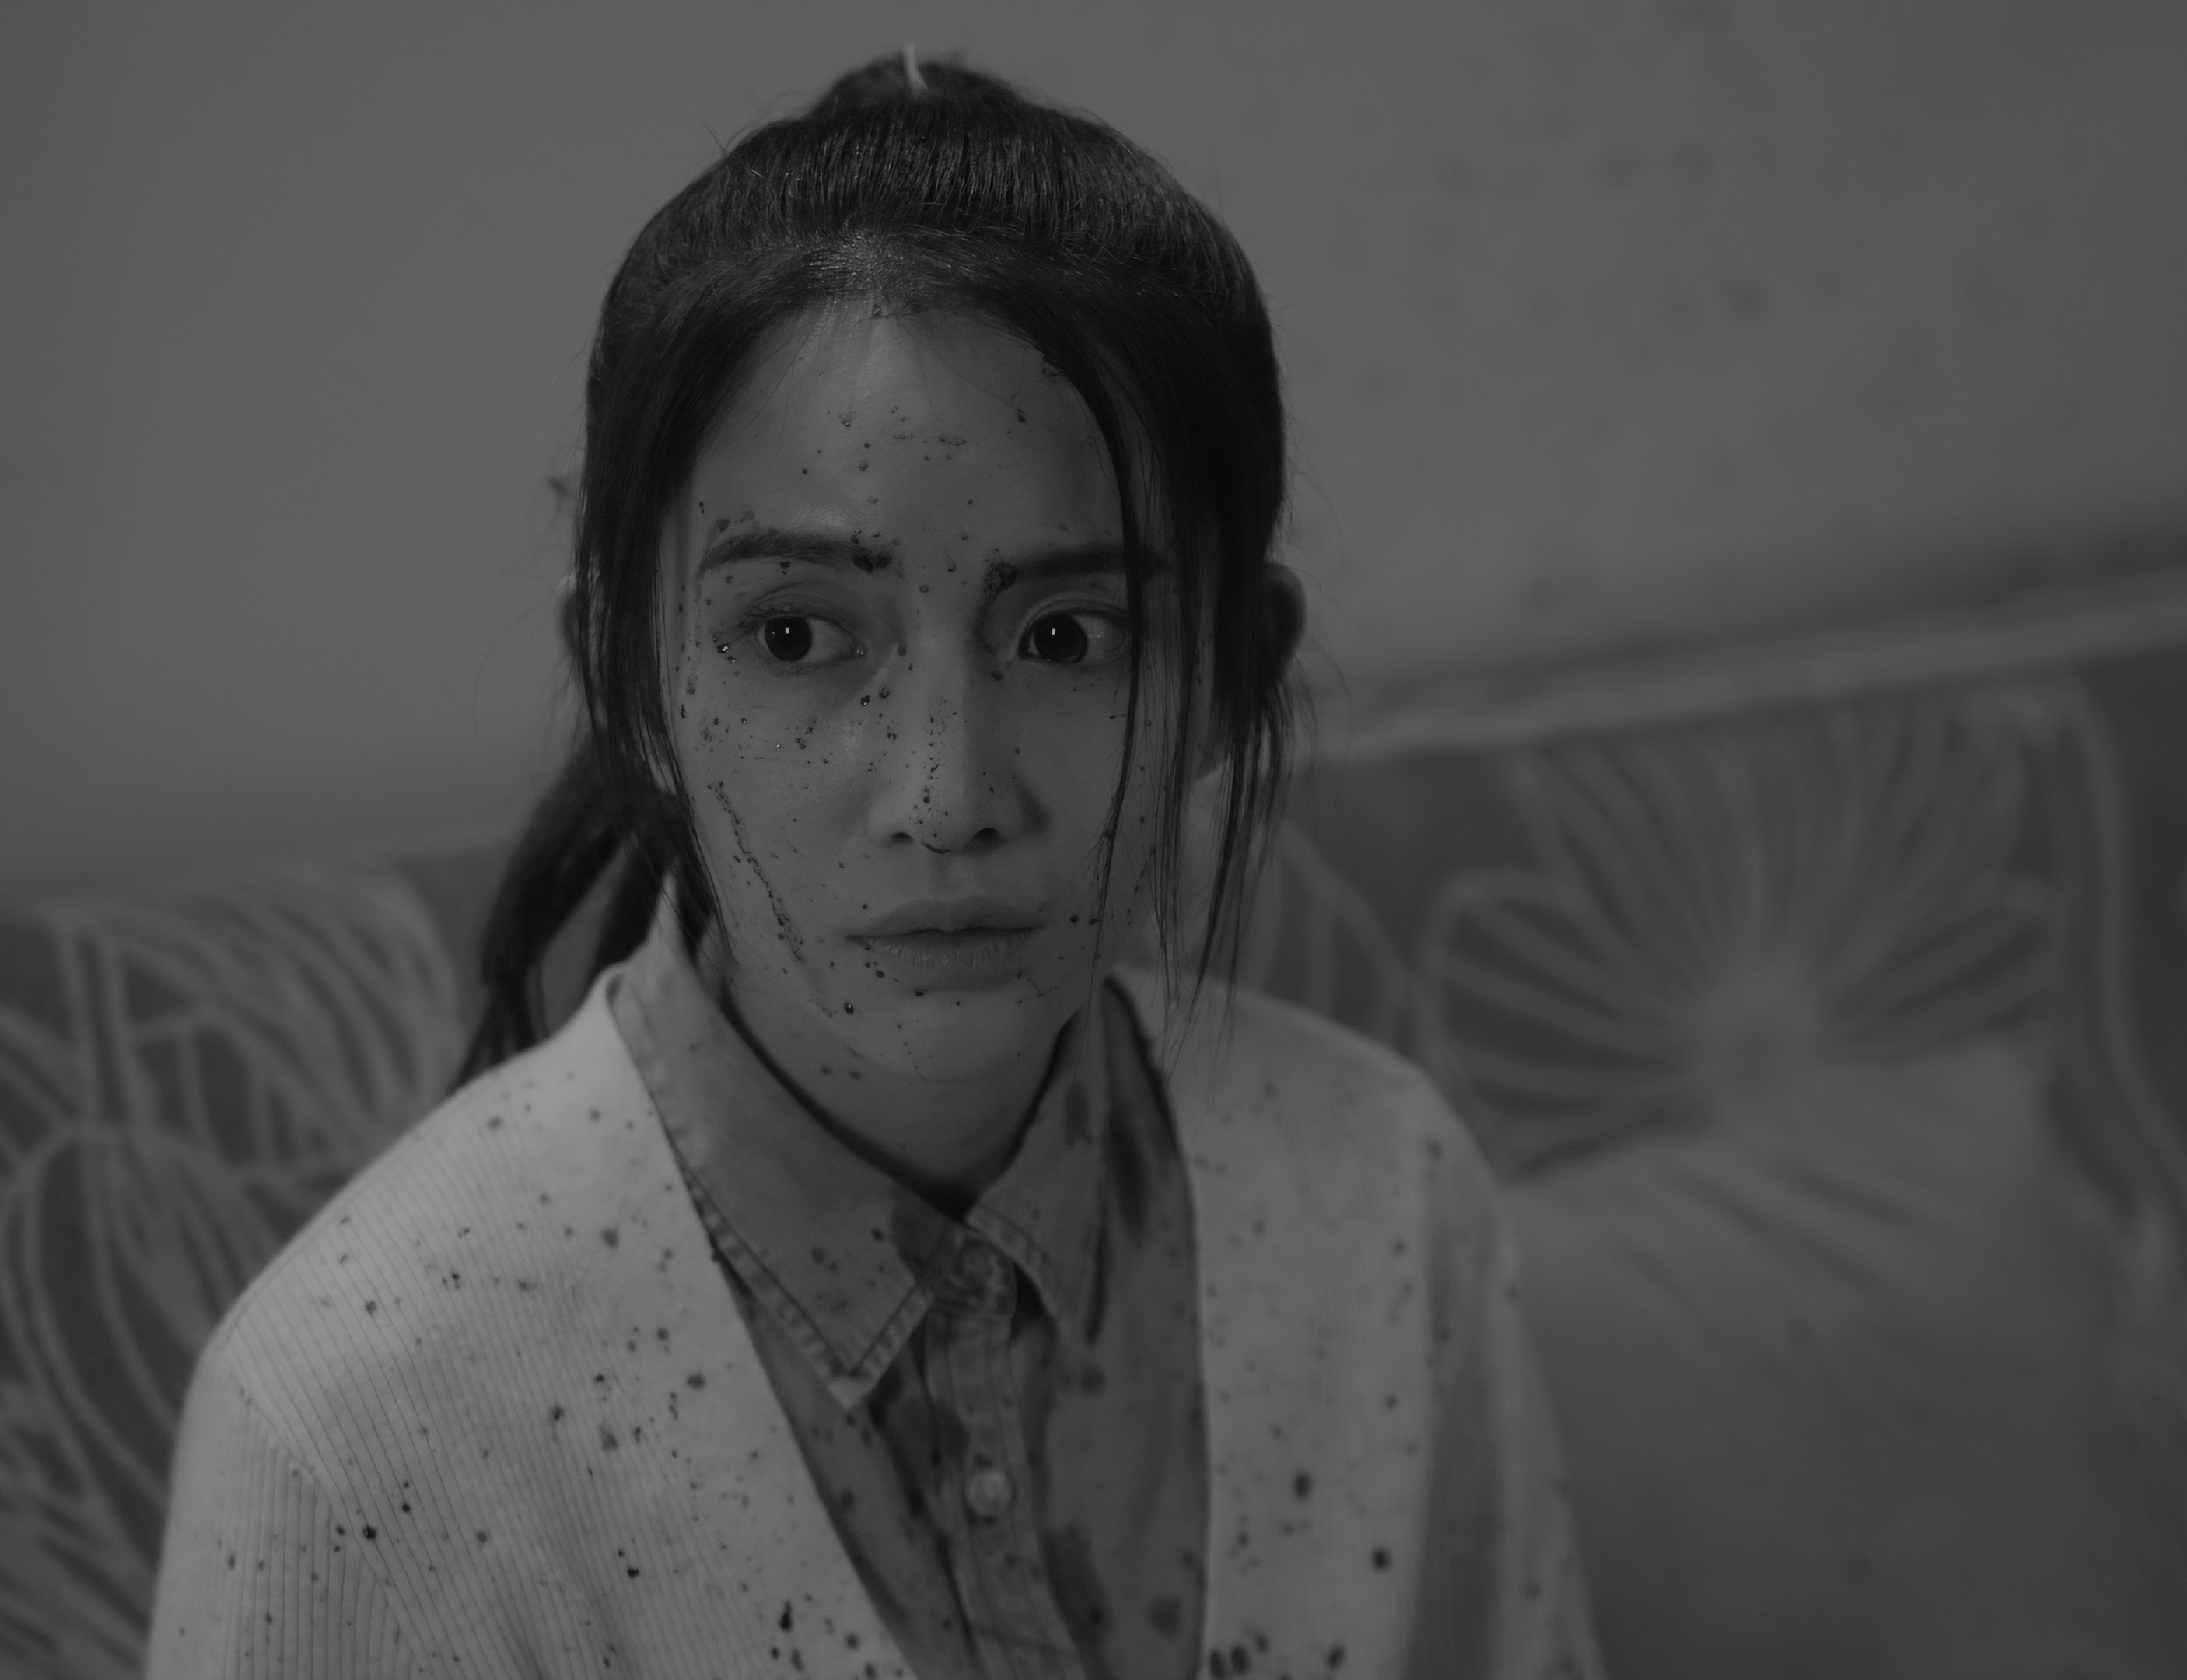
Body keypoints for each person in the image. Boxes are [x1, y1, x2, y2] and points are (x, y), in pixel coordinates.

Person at [146, 51, 1601, 1680]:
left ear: (1230, 679)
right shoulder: (352, 1431)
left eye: (1070, 635)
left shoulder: (1382, 1202)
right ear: (632, 686)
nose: (945, 795)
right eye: (794, 635)